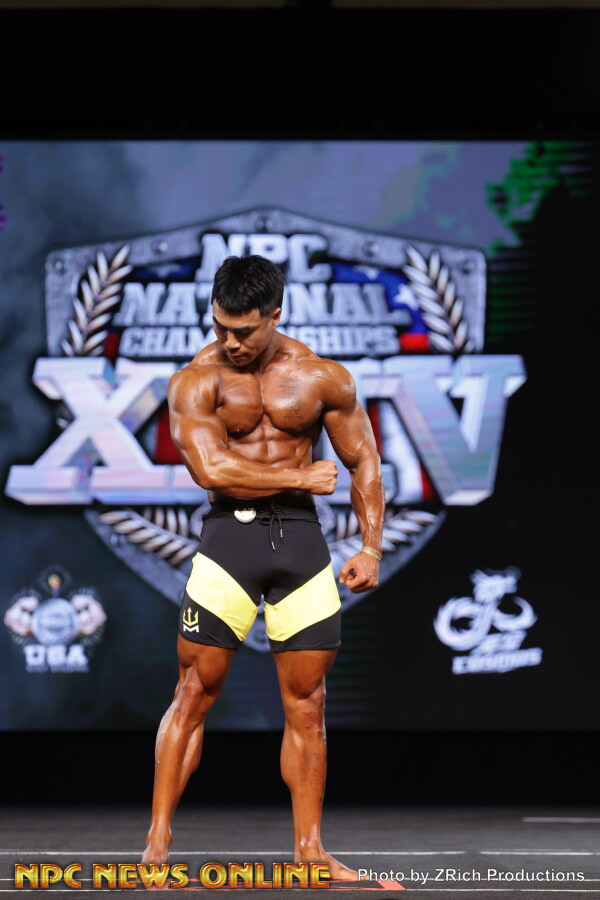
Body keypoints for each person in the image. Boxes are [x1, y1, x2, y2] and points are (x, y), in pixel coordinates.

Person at [142, 255, 385, 881]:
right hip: (230, 542)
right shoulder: (196, 380)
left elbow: (363, 459)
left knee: (308, 704)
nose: (231, 342)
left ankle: (310, 851)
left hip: (301, 546)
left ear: (276, 315)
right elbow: (210, 469)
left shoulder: (322, 377)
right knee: (193, 692)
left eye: (244, 331)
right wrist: (300, 477)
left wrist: (371, 547)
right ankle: (157, 846)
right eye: (220, 327)